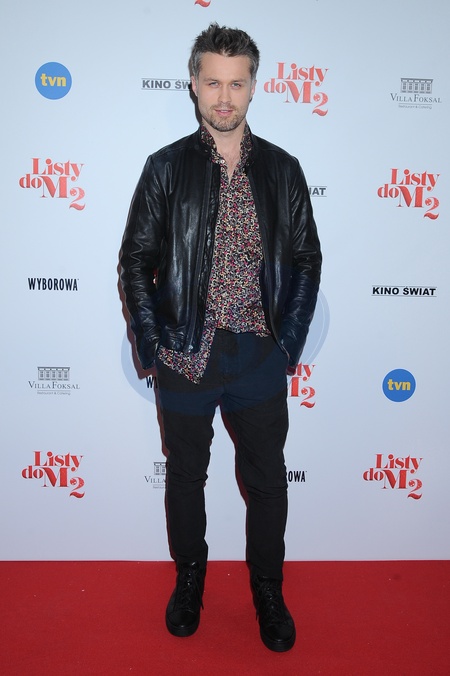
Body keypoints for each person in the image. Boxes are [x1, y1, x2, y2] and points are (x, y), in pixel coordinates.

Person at [120, 22, 321, 653]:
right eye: (213, 83)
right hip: (186, 353)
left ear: (254, 86)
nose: (224, 97)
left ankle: (268, 588)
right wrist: (152, 344)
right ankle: (190, 580)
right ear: (194, 84)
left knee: (267, 481)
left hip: (259, 353)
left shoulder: (283, 170)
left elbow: (307, 260)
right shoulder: (165, 168)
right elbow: (135, 261)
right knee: (186, 477)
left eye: (236, 83)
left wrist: (288, 343)